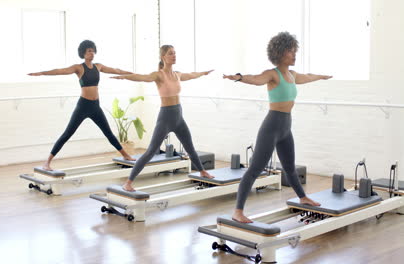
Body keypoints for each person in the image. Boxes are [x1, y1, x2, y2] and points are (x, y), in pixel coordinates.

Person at [223, 32, 332, 223]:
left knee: (290, 167)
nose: (294, 54)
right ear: (280, 53)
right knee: (255, 169)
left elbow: (307, 76)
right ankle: (238, 211)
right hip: (271, 126)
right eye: (291, 51)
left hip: (285, 127)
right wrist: (239, 77)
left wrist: (322, 76)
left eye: (294, 50)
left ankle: (303, 197)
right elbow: (256, 79)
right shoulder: (273, 74)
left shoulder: (292, 74)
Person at [112, 45, 215, 191]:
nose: (174, 56)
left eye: (174, 53)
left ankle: (203, 171)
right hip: (165, 117)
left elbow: (192, 75)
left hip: (179, 116)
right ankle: (128, 182)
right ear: (163, 57)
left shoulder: (178, 74)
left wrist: (203, 73)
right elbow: (143, 77)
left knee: (190, 147)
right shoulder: (158, 75)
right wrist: (125, 77)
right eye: (170, 54)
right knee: (150, 151)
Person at [28, 40, 135, 171]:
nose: (92, 53)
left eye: (93, 50)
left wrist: (130, 73)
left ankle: (126, 156)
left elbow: (115, 70)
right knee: (67, 134)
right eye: (89, 51)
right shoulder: (79, 68)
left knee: (108, 133)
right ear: (83, 53)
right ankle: (47, 163)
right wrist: (42, 73)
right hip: (83, 106)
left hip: (96, 106)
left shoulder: (98, 66)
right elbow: (60, 71)